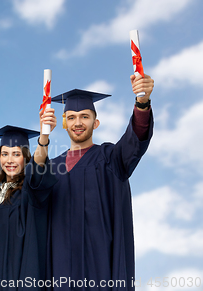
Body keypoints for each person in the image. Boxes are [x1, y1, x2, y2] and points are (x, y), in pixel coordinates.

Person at [47, 74, 155, 290]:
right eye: (72, 117)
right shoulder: (50, 168)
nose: (78, 122)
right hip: (60, 270)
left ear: (95, 123)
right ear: (64, 124)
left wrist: (142, 103)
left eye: (85, 117)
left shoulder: (111, 158)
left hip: (101, 266)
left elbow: (136, 139)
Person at [0, 121, 58, 290]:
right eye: (5, 154)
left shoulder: (29, 194)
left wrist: (44, 138)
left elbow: (38, 171)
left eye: (16, 154)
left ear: (26, 158)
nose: (9, 160)